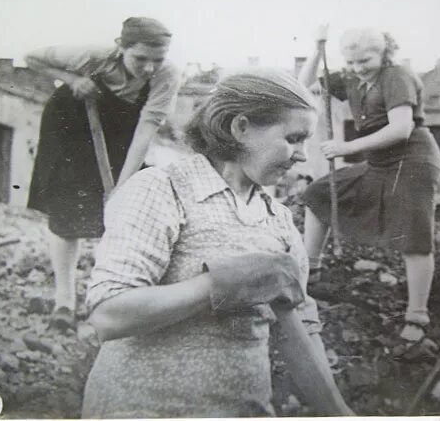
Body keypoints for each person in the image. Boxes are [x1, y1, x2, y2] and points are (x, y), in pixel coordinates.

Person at [81, 69, 354, 417]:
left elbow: (298, 329)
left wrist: (341, 414)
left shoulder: (279, 221)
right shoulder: (163, 189)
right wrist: (221, 282)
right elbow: (108, 315)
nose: (302, 154)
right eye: (294, 138)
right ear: (240, 128)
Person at [25, 17, 180, 329]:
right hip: (70, 122)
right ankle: (64, 303)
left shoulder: (167, 75)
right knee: (67, 211)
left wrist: (121, 188)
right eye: (140, 58)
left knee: (125, 214)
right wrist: (71, 80)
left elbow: (144, 133)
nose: (149, 67)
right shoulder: (91, 57)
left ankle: (108, 299)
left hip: (123, 130)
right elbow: (30, 57)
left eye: (157, 60)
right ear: (120, 47)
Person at [298, 26, 440, 345]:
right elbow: (302, 85)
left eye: (365, 60)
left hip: (412, 159)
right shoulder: (351, 78)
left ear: (384, 52)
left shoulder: (396, 75)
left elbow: (401, 129)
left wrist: (346, 148)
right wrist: (317, 46)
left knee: (414, 236)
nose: (356, 67)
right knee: (318, 194)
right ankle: (312, 274)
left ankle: (417, 317)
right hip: (378, 162)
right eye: (350, 61)